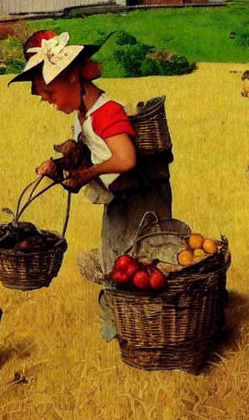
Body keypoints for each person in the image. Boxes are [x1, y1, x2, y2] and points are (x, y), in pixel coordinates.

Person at [9, 30, 173, 271]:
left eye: (51, 93)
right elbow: (89, 154)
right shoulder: (82, 115)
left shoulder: (106, 112)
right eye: (44, 97)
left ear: (74, 77)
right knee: (117, 260)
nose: (50, 102)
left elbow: (126, 159)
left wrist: (87, 175)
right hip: (118, 201)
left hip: (143, 202)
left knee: (147, 261)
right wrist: (59, 166)